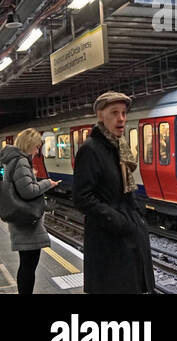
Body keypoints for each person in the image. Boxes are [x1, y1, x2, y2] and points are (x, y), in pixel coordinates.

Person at [75, 91, 153, 294]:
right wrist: (118, 220)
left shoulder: (119, 147)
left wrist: (137, 214)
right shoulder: (90, 150)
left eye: (124, 113)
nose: (121, 119)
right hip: (107, 240)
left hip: (125, 234)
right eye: (114, 113)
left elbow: (125, 190)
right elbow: (82, 198)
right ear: (100, 115)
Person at [3, 129, 59, 294]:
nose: (37, 151)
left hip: (20, 219)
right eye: (36, 147)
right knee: (28, 266)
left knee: (26, 264)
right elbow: (28, 191)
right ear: (29, 145)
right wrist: (47, 183)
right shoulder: (21, 161)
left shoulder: (13, 161)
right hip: (26, 223)